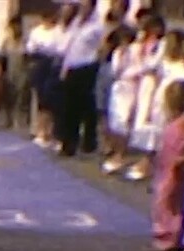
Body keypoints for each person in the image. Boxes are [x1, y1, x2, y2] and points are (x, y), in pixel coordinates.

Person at [150, 79, 184, 251]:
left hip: (175, 167)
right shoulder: (174, 122)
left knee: (169, 201)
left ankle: (169, 236)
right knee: (164, 199)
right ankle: (165, 233)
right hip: (166, 166)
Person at [57, 0, 106, 158]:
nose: (82, 9)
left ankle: (88, 142)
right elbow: (70, 47)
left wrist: (96, 66)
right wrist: (65, 68)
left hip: (87, 67)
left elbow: (101, 48)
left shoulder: (97, 26)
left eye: (85, 6)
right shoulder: (76, 23)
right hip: (72, 67)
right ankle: (68, 143)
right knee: (68, 107)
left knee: (84, 106)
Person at [123, 14, 168, 180]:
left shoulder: (162, 45)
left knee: (150, 121)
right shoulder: (141, 44)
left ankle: (148, 162)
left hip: (152, 84)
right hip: (141, 83)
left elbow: (153, 65)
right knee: (138, 119)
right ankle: (143, 159)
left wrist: (140, 68)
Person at [26, 9, 64, 148]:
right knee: (41, 99)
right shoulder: (36, 31)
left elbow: (60, 48)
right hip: (40, 63)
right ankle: (41, 131)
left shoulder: (59, 31)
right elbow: (31, 48)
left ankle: (52, 133)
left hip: (54, 65)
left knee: (53, 100)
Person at [2, 17, 31, 132]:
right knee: (9, 95)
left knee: (21, 96)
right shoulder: (7, 42)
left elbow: (28, 57)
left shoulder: (25, 41)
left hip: (22, 71)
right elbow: (3, 58)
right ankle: (8, 119)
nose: (15, 29)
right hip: (10, 71)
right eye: (12, 27)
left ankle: (20, 119)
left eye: (17, 26)